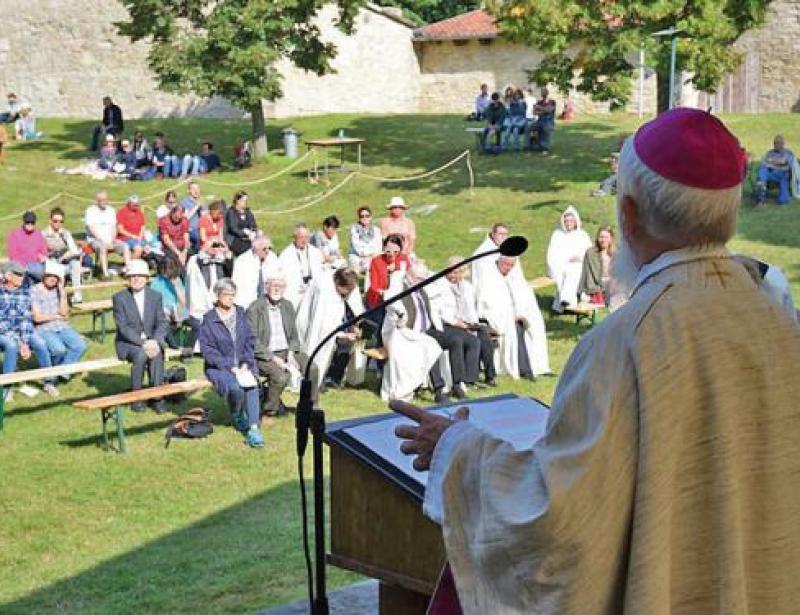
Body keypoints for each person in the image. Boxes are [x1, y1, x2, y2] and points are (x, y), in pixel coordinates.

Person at [394, 108, 800, 615]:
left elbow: (558, 519)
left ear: (628, 216)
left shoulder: (627, 339)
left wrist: (457, 449)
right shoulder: (778, 318)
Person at [199, 278, 264, 448]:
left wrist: (246, 363)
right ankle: (236, 414)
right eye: (227, 295)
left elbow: (250, 341)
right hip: (219, 367)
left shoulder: (241, 314)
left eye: (233, 295)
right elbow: (208, 351)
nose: (230, 298)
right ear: (218, 296)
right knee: (235, 387)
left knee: (252, 385)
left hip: (242, 365)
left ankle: (254, 428)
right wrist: (230, 366)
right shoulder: (209, 319)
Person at [246, 275, 318, 417]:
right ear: (267, 287)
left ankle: (311, 406)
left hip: (286, 351)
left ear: (285, 289)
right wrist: (273, 358)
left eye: (281, 286)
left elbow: (293, 335)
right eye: (274, 285)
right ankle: (269, 410)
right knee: (280, 377)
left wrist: (291, 353)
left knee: (312, 368)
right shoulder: (255, 308)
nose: (277, 289)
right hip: (264, 354)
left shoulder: (287, 306)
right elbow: (252, 341)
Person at [383, 263, 450, 403]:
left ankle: (458, 384)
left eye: (424, 278)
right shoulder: (400, 288)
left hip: (423, 331)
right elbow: (391, 302)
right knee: (431, 346)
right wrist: (400, 314)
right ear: (409, 275)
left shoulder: (422, 291)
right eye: (419, 278)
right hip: (403, 334)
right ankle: (439, 390)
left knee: (456, 340)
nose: (423, 281)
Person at [476, 255, 551, 379]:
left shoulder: (513, 277)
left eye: (512, 265)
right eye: (506, 265)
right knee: (516, 329)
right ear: (500, 262)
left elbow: (520, 299)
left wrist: (519, 313)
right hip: (496, 319)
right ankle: (524, 370)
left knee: (534, 326)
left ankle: (537, 365)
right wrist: (509, 317)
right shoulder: (488, 278)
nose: (508, 268)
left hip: (514, 316)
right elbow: (487, 305)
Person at [295, 268, 366, 391]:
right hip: (312, 327)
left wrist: (357, 323)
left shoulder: (346, 281)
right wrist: (344, 335)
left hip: (333, 326)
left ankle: (321, 379)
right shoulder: (324, 292)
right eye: (345, 292)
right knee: (316, 352)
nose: (347, 294)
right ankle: (312, 382)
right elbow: (323, 329)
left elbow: (354, 305)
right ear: (338, 283)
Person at [112, 259, 167, 413]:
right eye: (132, 276)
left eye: (140, 276)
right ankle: (137, 397)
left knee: (157, 354)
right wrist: (143, 342)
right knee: (142, 354)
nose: (136, 279)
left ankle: (157, 397)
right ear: (127, 279)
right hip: (128, 343)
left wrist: (155, 341)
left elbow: (162, 322)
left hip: (151, 340)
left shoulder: (155, 296)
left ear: (146, 279)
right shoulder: (119, 298)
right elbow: (122, 327)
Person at [30, 261, 87, 395]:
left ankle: (60, 372)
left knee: (80, 345)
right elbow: (37, 318)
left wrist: (62, 293)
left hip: (61, 326)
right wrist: (55, 316)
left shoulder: (58, 290)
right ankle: (50, 379)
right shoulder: (34, 290)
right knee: (58, 350)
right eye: (50, 276)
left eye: (56, 278)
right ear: (44, 276)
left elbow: (65, 313)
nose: (53, 279)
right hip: (43, 328)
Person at [0, 261, 53, 401]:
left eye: (22, 274)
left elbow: (25, 319)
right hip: (2, 332)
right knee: (11, 345)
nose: (22, 276)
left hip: (19, 331)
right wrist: (19, 343)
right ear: (8, 276)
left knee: (40, 344)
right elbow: (2, 324)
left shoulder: (24, 292)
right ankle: (7, 387)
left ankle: (49, 381)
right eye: (18, 274)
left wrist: (24, 341)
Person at [442, 257, 496, 387]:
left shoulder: (466, 286)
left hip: (466, 321)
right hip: (450, 324)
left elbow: (470, 308)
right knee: (473, 340)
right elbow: (443, 312)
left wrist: (472, 324)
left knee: (484, 336)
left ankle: (490, 375)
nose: (455, 276)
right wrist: (460, 324)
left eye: (458, 272)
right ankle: (471, 378)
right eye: (452, 272)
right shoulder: (441, 286)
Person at [150, 254, 199, 359]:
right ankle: (175, 348)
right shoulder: (156, 282)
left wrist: (181, 315)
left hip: (180, 311)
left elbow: (184, 301)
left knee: (197, 325)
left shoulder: (178, 279)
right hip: (164, 314)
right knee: (164, 323)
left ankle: (188, 350)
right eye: (165, 269)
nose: (167, 273)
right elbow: (156, 304)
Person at [546, 205, 592, 311]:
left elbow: (589, 252)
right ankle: (567, 300)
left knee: (574, 269)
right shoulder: (557, 234)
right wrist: (561, 262)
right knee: (569, 271)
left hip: (579, 264)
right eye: (566, 221)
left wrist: (580, 258)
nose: (568, 223)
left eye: (571, 221)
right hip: (560, 265)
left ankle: (566, 299)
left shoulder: (582, 235)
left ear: (576, 221)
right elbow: (552, 253)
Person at [42, 207, 84, 303]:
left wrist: (66, 256)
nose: (58, 224)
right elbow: (42, 253)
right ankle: (54, 297)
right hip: (50, 262)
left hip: (63, 261)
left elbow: (74, 249)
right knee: (53, 262)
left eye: (61, 221)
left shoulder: (65, 233)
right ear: (50, 221)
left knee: (75, 263)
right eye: (55, 221)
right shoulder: (44, 234)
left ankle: (77, 296)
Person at [278, 224, 324, 309]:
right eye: (301, 237)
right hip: (295, 294)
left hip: (313, 291)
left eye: (306, 237)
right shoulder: (286, 255)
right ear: (295, 237)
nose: (304, 240)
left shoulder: (315, 252)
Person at [186, 241, 231, 324]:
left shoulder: (221, 261)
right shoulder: (197, 260)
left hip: (218, 300)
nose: (215, 249)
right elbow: (197, 260)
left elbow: (230, 270)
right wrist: (206, 248)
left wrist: (226, 250)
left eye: (217, 246)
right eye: (213, 246)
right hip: (203, 302)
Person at [232, 235, 280, 309]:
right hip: (247, 303)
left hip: (268, 303)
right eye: (264, 249)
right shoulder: (242, 261)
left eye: (269, 248)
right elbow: (237, 286)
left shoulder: (273, 258)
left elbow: (278, 278)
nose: (267, 251)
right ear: (255, 249)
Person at [365, 234, 410, 309]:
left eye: (395, 252)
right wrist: (383, 293)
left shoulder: (403, 259)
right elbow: (374, 285)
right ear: (384, 248)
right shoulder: (376, 261)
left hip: (398, 298)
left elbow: (407, 271)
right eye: (388, 251)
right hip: (379, 300)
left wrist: (396, 266)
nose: (392, 254)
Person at [756, 134, 798, 206]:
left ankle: (783, 199)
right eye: (775, 143)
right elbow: (764, 162)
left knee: (783, 176)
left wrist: (771, 162)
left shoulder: (787, 152)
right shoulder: (770, 153)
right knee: (763, 170)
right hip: (771, 174)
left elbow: (783, 161)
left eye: (778, 143)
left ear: (783, 144)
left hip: (782, 174)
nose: (776, 145)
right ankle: (761, 198)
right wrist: (771, 163)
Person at [578, 225, 615, 306]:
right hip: (596, 285)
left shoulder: (616, 254)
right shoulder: (591, 253)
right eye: (601, 237)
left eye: (606, 237)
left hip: (612, 283)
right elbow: (586, 274)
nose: (603, 240)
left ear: (611, 238)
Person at [7, 211, 48, 281]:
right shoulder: (15, 234)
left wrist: (41, 257)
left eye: (32, 222)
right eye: (27, 222)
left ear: (35, 223)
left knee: (42, 271)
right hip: (20, 266)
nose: (30, 224)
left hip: (35, 266)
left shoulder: (39, 235)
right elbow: (13, 255)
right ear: (24, 222)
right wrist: (25, 265)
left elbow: (44, 252)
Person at [85, 191, 118, 278]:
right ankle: (105, 273)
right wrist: (101, 240)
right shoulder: (90, 211)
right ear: (97, 201)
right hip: (95, 239)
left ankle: (127, 271)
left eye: (106, 199)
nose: (104, 202)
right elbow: (91, 228)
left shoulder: (111, 210)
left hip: (110, 239)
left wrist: (113, 240)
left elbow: (114, 227)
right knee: (102, 247)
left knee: (125, 246)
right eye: (102, 200)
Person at [348, 206, 383, 273]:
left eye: (367, 216)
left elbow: (378, 246)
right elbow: (358, 248)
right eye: (362, 216)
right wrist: (368, 254)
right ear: (359, 218)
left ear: (371, 217)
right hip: (358, 257)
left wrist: (372, 255)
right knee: (367, 264)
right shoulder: (354, 230)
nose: (365, 218)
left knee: (376, 262)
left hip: (373, 256)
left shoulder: (376, 230)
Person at [115, 195, 148, 267]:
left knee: (148, 249)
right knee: (138, 249)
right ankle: (129, 267)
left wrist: (140, 236)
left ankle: (129, 265)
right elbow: (120, 229)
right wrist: (132, 236)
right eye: (135, 205)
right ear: (129, 203)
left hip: (138, 238)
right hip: (126, 238)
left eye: (137, 205)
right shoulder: (122, 212)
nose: (136, 206)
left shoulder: (140, 213)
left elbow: (143, 227)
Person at [224, 190, 258, 256]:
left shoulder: (248, 212)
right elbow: (233, 228)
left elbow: (253, 225)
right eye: (244, 201)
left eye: (246, 201)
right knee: (248, 249)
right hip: (235, 239)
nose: (245, 203)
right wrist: (245, 233)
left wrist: (253, 232)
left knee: (260, 244)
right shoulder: (231, 212)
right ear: (238, 201)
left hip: (249, 238)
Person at [180, 182, 206, 250]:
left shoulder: (202, 201)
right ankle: (196, 254)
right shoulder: (185, 201)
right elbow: (186, 218)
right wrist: (196, 206)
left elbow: (204, 217)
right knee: (199, 237)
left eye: (198, 188)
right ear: (189, 191)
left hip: (201, 228)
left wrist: (202, 208)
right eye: (193, 189)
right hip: (190, 228)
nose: (196, 191)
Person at [531, 87, 556, 152]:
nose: (543, 93)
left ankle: (545, 147)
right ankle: (530, 145)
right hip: (540, 120)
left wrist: (539, 108)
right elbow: (534, 112)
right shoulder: (539, 102)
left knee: (545, 128)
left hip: (549, 121)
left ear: (547, 93)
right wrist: (542, 111)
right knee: (528, 128)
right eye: (542, 92)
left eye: (544, 92)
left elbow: (549, 110)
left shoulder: (552, 101)